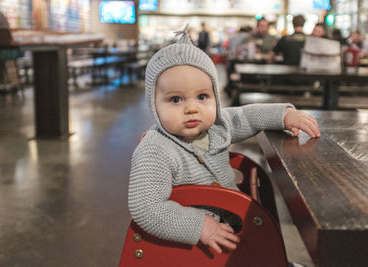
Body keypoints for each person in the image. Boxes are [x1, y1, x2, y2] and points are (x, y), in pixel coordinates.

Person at [128, 25, 320, 255]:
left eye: (202, 97)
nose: (192, 108)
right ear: (153, 103)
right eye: (176, 99)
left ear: (215, 97)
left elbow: (246, 116)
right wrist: (199, 226)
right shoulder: (155, 150)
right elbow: (146, 207)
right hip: (192, 248)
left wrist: (284, 115)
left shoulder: (217, 126)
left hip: (232, 229)